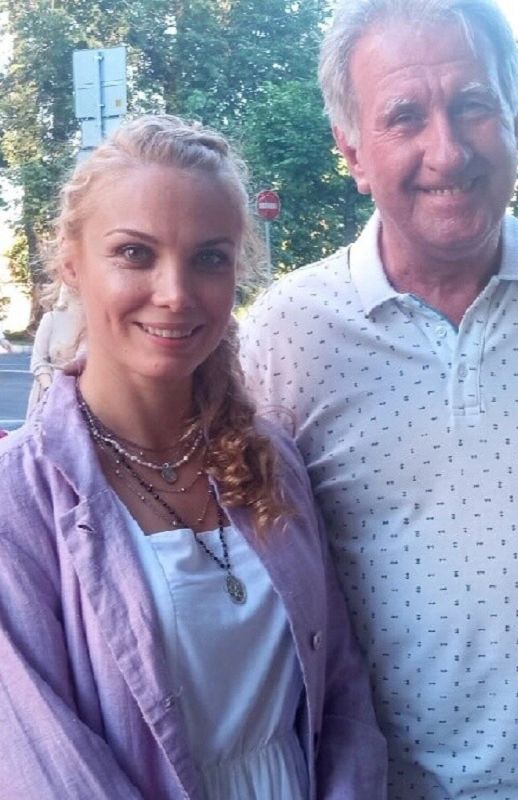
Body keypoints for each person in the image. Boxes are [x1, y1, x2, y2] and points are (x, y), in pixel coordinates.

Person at [239, 1, 518, 798]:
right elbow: (237, 578)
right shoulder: (288, 333)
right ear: (353, 151)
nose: (448, 151)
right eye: (404, 117)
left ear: (516, 119)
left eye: (474, 105)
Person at [0, 115, 387, 799]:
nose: (175, 293)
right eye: (135, 253)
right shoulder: (18, 505)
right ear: (71, 262)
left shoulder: (272, 460)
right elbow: (49, 767)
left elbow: (341, 688)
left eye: (209, 258)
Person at [26, 282, 85, 412]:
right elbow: (38, 361)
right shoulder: (51, 319)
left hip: (86, 400)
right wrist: (51, 391)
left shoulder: (98, 324)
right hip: (50, 397)